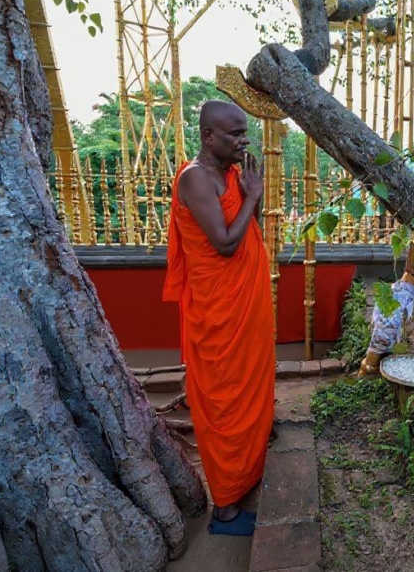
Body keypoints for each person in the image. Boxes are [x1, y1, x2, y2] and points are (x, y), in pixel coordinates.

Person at [162, 100, 276, 536]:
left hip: (245, 301)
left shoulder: (230, 176)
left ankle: (249, 469)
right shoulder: (195, 178)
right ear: (209, 136)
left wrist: (252, 196)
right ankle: (225, 507)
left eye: (244, 132)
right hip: (218, 311)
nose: (244, 141)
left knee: (253, 379)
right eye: (234, 133)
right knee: (226, 396)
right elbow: (225, 243)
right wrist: (251, 196)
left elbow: (251, 227)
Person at [357, 228, 414, 377]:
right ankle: (370, 365)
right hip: (410, 281)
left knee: (390, 314)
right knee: (389, 313)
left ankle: (369, 366)